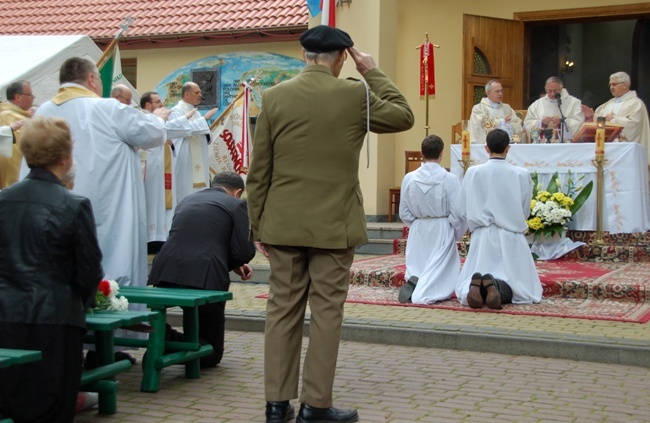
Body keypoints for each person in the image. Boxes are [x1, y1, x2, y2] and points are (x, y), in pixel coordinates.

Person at [247, 25, 414, 423]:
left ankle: (275, 405)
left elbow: (259, 172)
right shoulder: (355, 94)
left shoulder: (273, 97)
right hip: (334, 226)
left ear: (304, 54)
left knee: (281, 312)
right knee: (325, 314)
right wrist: (371, 70)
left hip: (282, 225)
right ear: (342, 58)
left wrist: (258, 227)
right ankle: (314, 407)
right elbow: (403, 115)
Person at [25, 57, 168, 364]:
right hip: (109, 208)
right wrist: (158, 116)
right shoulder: (107, 108)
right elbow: (153, 134)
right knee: (110, 268)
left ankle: (72, 343)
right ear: (91, 79)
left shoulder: (42, 113)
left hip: (55, 206)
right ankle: (109, 345)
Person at [0, 116, 103, 423]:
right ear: (65, 156)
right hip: (54, 320)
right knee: (51, 403)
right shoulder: (73, 205)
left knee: (8, 400)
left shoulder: (3, 200)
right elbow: (88, 270)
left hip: (5, 314)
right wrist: (80, 303)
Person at [148, 171, 255, 368]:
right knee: (213, 353)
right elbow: (244, 250)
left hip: (166, 271)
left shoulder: (187, 200)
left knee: (198, 326)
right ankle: (165, 340)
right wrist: (233, 263)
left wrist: (231, 263)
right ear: (237, 192)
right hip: (205, 278)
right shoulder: (237, 204)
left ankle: (162, 337)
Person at [455, 128, 542, 309]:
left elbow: (462, 207)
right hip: (511, 236)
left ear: (486, 148)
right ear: (508, 148)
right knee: (520, 286)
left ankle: (476, 285)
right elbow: (524, 208)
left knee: (481, 268)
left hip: (482, 236)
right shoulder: (520, 173)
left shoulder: (473, 172)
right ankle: (495, 287)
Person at [397, 134, 466, 305]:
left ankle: (416, 282)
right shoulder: (450, 179)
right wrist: (452, 229)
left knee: (419, 264)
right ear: (442, 153)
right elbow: (458, 212)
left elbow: (404, 212)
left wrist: (418, 224)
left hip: (419, 227)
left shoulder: (409, 178)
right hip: (442, 227)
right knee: (440, 270)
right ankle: (429, 288)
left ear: (422, 153)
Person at [140, 91, 195, 251]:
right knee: (151, 201)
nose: (161, 105)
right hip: (148, 171)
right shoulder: (143, 120)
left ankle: (160, 236)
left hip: (162, 169)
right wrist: (185, 118)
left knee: (162, 200)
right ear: (148, 105)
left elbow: (173, 130)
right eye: (157, 102)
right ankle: (150, 238)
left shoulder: (160, 122)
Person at [581, 71, 650, 163]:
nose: (611, 87)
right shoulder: (608, 104)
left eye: (614, 84)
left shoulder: (636, 103)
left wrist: (614, 120)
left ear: (625, 85)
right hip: (606, 150)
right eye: (610, 85)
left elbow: (635, 125)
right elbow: (600, 122)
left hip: (626, 152)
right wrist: (591, 117)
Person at [168, 82, 219, 203]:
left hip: (199, 158)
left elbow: (204, 133)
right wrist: (204, 119)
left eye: (200, 92)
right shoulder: (176, 111)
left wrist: (205, 127)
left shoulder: (195, 112)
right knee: (186, 190)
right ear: (186, 94)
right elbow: (182, 130)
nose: (200, 95)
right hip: (186, 159)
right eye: (197, 92)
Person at [524, 76, 583, 142]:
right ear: (545, 89)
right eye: (549, 91)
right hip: (543, 144)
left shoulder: (574, 102)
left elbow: (579, 122)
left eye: (555, 91)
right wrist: (541, 123)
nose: (552, 94)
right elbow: (528, 123)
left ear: (561, 88)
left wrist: (561, 123)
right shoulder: (537, 104)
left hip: (566, 144)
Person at [0, 81, 34, 188]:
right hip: (13, 178)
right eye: (29, 94)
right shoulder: (8, 116)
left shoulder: (20, 115)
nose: (33, 97)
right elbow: (13, 154)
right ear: (18, 97)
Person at [469, 80, 523, 144]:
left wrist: (508, 125)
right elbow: (478, 129)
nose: (500, 94)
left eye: (501, 91)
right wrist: (500, 122)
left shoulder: (507, 108)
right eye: (497, 91)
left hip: (507, 145)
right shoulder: (479, 108)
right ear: (488, 93)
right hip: (489, 146)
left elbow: (517, 124)